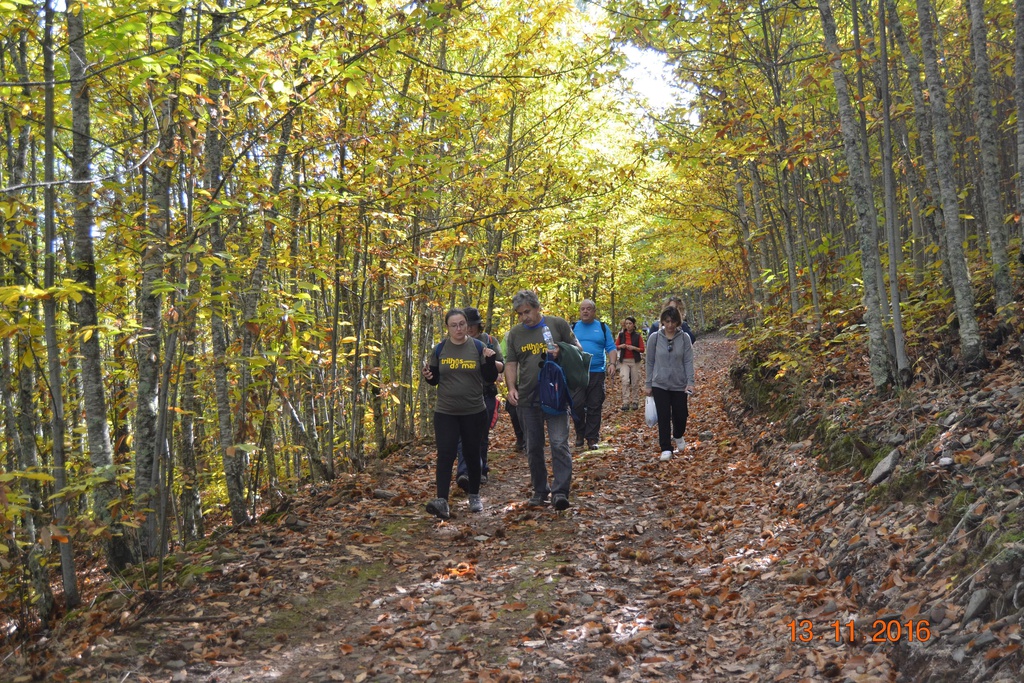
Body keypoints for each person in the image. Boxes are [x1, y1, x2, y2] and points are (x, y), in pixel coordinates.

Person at [504, 290, 579, 510]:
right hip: (528, 397)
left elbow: (579, 350)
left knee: (558, 443)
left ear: (537, 308)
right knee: (533, 447)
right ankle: (540, 491)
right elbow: (511, 363)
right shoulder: (515, 334)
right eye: (519, 313)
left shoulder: (557, 325)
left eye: (527, 311)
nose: (524, 317)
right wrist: (511, 388)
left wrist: (561, 351)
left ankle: (560, 492)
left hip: (555, 396)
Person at [421, 309, 498, 519]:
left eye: (462, 324)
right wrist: (428, 376)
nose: (458, 329)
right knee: (446, 454)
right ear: (447, 327)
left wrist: (490, 361)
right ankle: (442, 501)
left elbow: (490, 378)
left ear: (467, 326)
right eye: (454, 325)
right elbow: (434, 379)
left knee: (473, 454)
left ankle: (474, 495)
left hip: (474, 411)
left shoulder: (478, 347)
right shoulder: (439, 350)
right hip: (446, 411)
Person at [456, 307, 504, 489]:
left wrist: (489, 360)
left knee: (481, 435)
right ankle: (464, 473)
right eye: (466, 325)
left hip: (486, 393)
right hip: (463, 395)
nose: (469, 329)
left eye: (473, 325)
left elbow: (502, 365)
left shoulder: (490, 341)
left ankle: (481, 469)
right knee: (463, 435)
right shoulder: (455, 343)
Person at [645, 306, 694, 462]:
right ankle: (666, 448)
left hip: (679, 384)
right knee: (664, 416)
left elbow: (688, 361)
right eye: (667, 321)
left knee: (681, 415)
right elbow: (649, 361)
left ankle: (678, 435)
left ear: (678, 322)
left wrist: (690, 382)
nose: (670, 325)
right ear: (662, 321)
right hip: (660, 383)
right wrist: (648, 383)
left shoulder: (684, 338)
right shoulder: (654, 338)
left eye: (673, 321)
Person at [571, 300, 617, 449]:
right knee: (576, 404)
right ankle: (580, 431)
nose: (585, 311)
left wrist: (612, 364)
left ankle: (592, 438)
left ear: (594, 311)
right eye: (582, 309)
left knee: (594, 405)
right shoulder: (573, 328)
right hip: (577, 372)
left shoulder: (602, 328)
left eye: (588, 309)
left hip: (597, 372)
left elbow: (611, 347)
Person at [502, 330, 526, 452]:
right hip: (514, 380)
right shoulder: (509, 335)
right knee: (513, 410)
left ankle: (529, 439)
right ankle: (520, 437)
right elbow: (502, 356)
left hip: (530, 380)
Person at [616, 316, 645, 411]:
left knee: (635, 381)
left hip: (635, 361)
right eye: (626, 324)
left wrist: (634, 348)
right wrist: (621, 346)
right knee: (625, 380)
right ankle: (625, 402)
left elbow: (642, 349)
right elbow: (614, 346)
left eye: (630, 324)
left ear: (633, 325)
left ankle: (635, 401)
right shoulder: (621, 335)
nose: (628, 326)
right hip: (624, 361)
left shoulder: (638, 336)